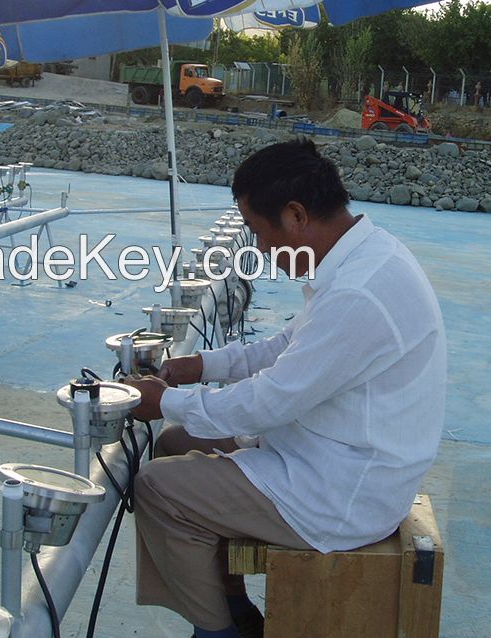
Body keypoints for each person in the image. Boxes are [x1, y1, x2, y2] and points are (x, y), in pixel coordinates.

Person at [127, 138, 446, 638]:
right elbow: (287, 346)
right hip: (333, 451)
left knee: (156, 489)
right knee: (173, 443)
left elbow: (269, 401)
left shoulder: (359, 293)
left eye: (258, 231)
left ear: (296, 216)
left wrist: (162, 399)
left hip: (343, 491)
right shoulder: (365, 257)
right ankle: (233, 605)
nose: (258, 249)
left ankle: (217, 631)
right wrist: (202, 365)